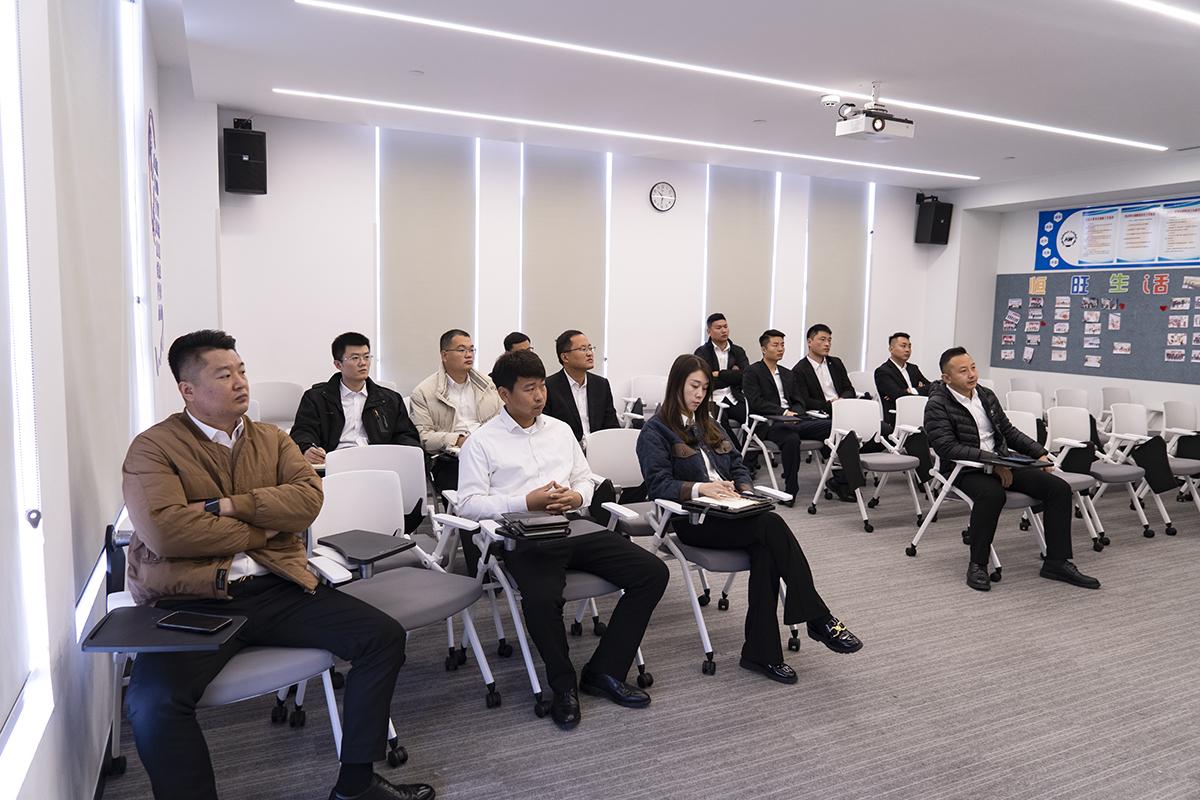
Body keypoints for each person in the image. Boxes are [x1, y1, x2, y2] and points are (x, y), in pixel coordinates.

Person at [121, 330, 432, 800]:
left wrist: (228, 506)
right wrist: (261, 531)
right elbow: (166, 532)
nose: (240, 382)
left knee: (382, 638)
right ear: (188, 390)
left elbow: (307, 501)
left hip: (277, 586)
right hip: (191, 600)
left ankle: (356, 786)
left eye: (242, 371)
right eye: (224, 375)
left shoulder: (271, 439)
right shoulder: (154, 448)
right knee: (151, 703)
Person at [456, 349, 669, 729]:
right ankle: (563, 685)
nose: (540, 395)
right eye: (529, 389)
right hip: (525, 535)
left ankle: (604, 671)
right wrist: (526, 502)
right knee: (541, 598)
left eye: (541, 386)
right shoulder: (482, 442)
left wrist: (577, 497)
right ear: (504, 394)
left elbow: (586, 478)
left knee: (652, 572)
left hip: (573, 525)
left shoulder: (559, 430)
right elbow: (469, 506)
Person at [636, 354, 862, 684]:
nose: (699, 394)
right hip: (695, 521)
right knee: (772, 525)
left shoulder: (710, 424)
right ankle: (818, 617)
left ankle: (761, 654)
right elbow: (658, 484)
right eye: (694, 386)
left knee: (766, 550)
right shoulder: (655, 431)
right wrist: (702, 488)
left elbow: (739, 465)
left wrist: (742, 490)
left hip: (734, 513)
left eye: (705, 388)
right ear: (676, 385)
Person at [924, 347, 1100, 593]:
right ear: (947, 378)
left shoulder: (985, 395)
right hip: (963, 469)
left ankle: (1057, 562)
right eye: (963, 371)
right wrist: (993, 463)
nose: (972, 374)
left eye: (973, 367)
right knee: (992, 495)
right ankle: (977, 564)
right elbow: (947, 447)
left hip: (1001, 460)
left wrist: (1039, 452)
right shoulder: (937, 404)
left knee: (1058, 488)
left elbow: (1007, 431)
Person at [289, 332, 424, 530]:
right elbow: (303, 431)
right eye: (355, 358)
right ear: (338, 364)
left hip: (377, 467)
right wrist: (307, 448)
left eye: (366, 357)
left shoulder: (388, 399)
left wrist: (404, 456)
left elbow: (406, 435)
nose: (363, 363)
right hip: (335, 467)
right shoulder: (316, 398)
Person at [742, 329, 832, 503]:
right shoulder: (752, 372)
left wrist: (795, 413)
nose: (780, 349)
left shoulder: (787, 373)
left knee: (833, 426)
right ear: (763, 349)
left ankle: (843, 479)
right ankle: (791, 489)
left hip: (794, 421)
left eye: (782, 345)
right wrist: (783, 413)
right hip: (770, 423)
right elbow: (756, 402)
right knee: (791, 439)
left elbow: (799, 400)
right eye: (775, 345)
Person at [409, 329, 502, 494]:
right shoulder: (424, 392)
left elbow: (502, 418)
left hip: (490, 449)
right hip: (452, 458)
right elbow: (424, 438)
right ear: (444, 355)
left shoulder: (487, 384)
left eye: (471, 349)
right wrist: (458, 440)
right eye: (461, 350)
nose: (469, 355)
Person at [543, 329, 620, 442]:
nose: (589, 353)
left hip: (598, 447)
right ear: (565, 357)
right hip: (566, 448)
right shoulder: (549, 387)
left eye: (590, 348)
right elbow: (547, 430)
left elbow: (611, 426)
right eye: (583, 349)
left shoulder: (601, 385)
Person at [694, 313, 751, 438]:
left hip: (734, 397)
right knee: (721, 424)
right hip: (712, 399)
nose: (724, 330)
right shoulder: (702, 352)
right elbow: (705, 380)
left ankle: (748, 451)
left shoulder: (738, 351)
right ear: (709, 331)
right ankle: (735, 450)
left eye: (725, 326)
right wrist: (733, 375)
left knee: (752, 419)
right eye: (718, 328)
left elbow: (746, 376)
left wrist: (720, 374)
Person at [791, 324, 857, 415]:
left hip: (843, 408)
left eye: (829, 340)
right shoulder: (800, 370)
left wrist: (841, 401)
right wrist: (830, 405)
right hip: (822, 413)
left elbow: (849, 390)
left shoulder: (836, 363)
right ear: (809, 342)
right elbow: (805, 400)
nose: (827, 344)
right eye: (822, 339)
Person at [873, 331, 931, 421]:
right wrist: (920, 390)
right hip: (897, 416)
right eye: (903, 346)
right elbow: (898, 396)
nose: (907, 350)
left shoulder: (913, 368)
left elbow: (931, 387)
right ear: (891, 349)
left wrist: (911, 390)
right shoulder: (883, 371)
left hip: (919, 412)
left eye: (909, 346)